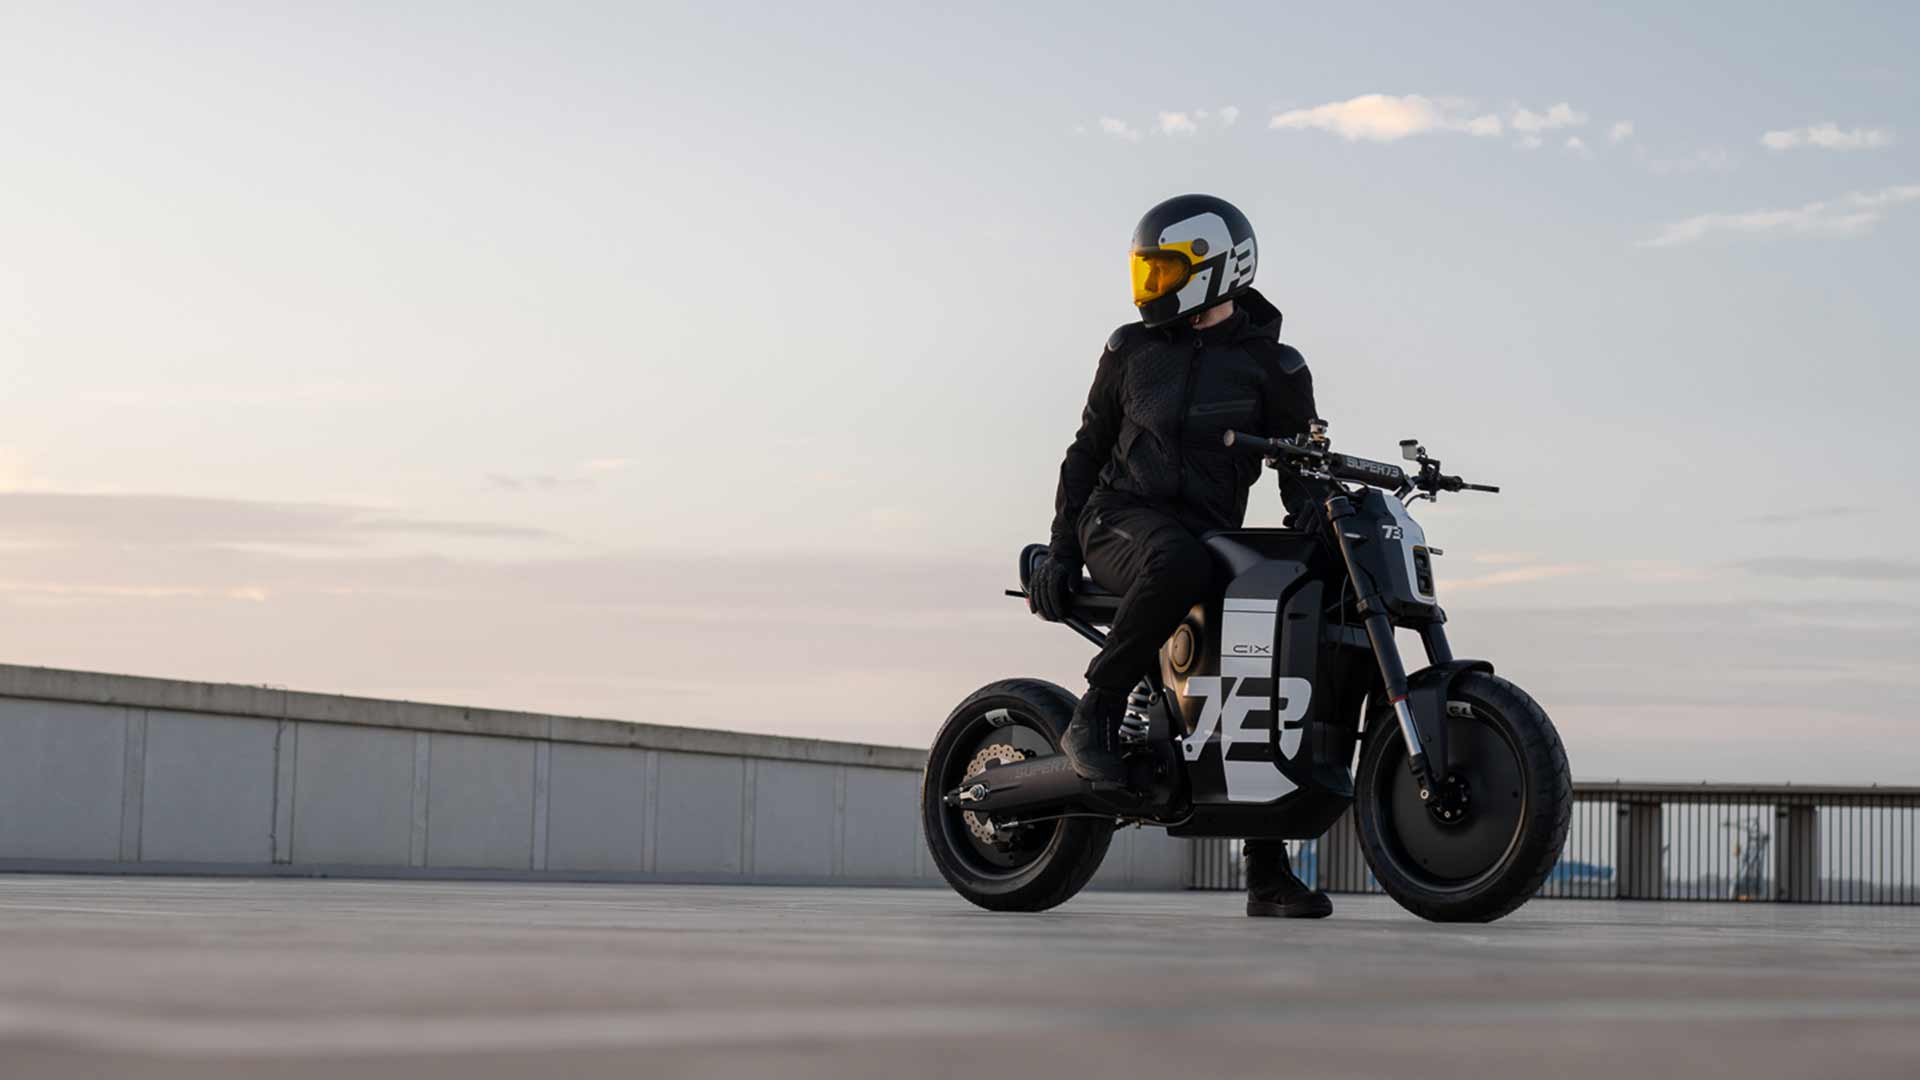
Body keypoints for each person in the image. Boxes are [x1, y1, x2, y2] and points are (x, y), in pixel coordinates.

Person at [1027, 193, 1334, 918]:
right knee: (1180, 563)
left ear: (1219, 271)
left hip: (1206, 535)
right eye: (1147, 272)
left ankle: (1266, 872)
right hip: (1120, 520)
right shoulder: (1131, 350)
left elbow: (1302, 475)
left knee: (1262, 647)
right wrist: (1062, 548)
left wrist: (1324, 534)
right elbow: (1086, 452)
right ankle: (1096, 709)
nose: (1150, 288)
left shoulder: (1276, 367)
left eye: (1164, 272)